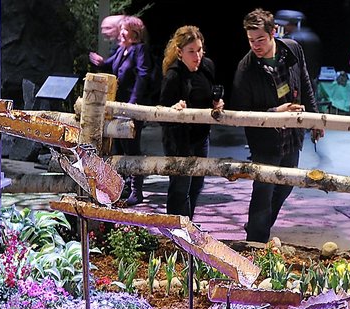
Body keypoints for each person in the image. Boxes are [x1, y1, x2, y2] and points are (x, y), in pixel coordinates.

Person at [231, 8, 323, 243]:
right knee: (263, 192)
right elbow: (239, 112)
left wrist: (315, 119)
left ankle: (256, 227)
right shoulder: (246, 67)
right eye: (251, 40)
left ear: (274, 32)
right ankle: (255, 242)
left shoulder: (292, 49)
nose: (256, 45)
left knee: (285, 187)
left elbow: (305, 83)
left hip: (292, 136)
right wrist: (274, 113)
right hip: (264, 141)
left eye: (260, 39)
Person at [159, 26, 224, 218]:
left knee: (197, 185)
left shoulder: (207, 66)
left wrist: (216, 102)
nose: (197, 56)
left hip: (201, 136)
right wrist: (174, 110)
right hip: (178, 140)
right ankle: (175, 232)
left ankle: (189, 226)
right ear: (180, 52)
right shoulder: (173, 75)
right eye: (191, 52)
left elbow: (212, 92)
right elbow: (161, 111)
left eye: (199, 50)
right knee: (180, 188)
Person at [89, 17, 152, 205]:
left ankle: (136, 190)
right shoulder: (121, 50)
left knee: (132, 147)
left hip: (131, 109)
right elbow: (110, 66)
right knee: (119, 147)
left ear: (135, 33)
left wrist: (131, 104)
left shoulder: (140, 50)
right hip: (118, 108)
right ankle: (122, 186)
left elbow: (143, 75)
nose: (121, 33)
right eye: (121, 29)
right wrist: (100, 62)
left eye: (125, 30)